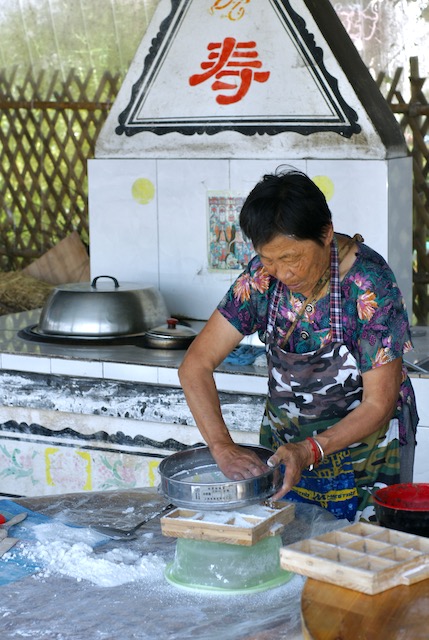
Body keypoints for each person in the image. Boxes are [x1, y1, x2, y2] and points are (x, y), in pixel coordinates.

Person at [178, 168, 419, 522]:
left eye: (291, 258)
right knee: (286, 555)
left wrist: (310, 450)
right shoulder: (261, 278)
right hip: (285, 452)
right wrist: (223, 447)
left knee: (356, 562)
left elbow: (378, 404)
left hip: (366, 459)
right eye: (268, 258)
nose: (282, 273)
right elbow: (195, 365)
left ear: (324, 233)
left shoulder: (368, 284)